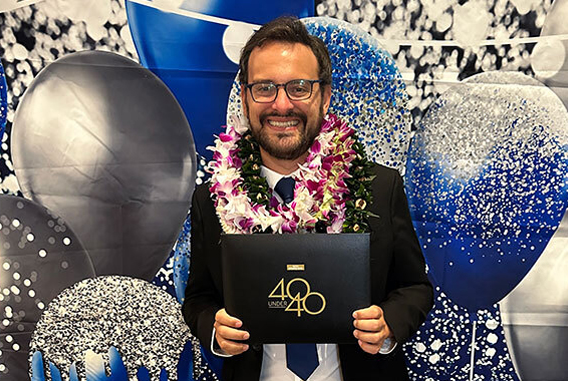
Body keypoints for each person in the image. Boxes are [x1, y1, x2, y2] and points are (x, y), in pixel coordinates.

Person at [182, 16, 433, 381]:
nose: (281, 105)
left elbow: (415, 287)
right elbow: (198, 299)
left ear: (325, 95)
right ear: (245, 97)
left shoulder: (380, 188)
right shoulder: (211, 199)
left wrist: (389, 324)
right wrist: (214, 331)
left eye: (298, 87)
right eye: (264, 87)